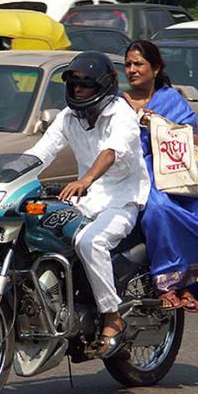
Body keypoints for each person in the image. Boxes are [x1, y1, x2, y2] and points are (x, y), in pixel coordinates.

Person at [25, 51, 150, 358]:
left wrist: (86, 179)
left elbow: (111, 152)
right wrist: (6, 175)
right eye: (74, 83)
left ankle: (112, 317)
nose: (79, 89)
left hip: (122, 200)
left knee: (90, 242)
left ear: (103, 85)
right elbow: (41, 152)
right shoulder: (69, 118)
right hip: (87, 201)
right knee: (40, 232)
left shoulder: (122, 116)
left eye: (87, 84)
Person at [123, 39, 198, 313]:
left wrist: (155, 123)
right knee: (159, 209)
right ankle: (168, 284)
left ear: (155, 68)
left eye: (138, 64)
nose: (132, 70)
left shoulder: (169, 99)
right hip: (141, 174)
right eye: (128, 64)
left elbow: (194, 138)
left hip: (177, 170)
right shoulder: (120, 103)